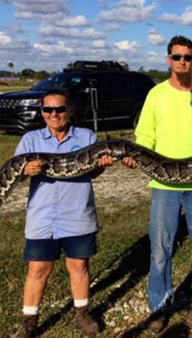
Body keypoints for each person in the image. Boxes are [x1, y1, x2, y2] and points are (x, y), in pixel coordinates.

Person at [122, 35, 192, 332]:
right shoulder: (155, 95)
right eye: (177, 57)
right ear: (168, 59)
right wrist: (134, 157)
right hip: (164, 185)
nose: (182, 62)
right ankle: (160, 305)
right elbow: (145, 138)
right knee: (160, 248)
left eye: (188, 57)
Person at [11, 89, 114, 338]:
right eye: (48, 110)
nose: (54, 114)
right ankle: (29, 321)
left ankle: (82, 313)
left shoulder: (87, 136)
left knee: (79, 265)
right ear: (42, 112)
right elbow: (15, 172)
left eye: (59, 109)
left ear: (69, 111)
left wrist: (102, 165)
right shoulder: (31, 140)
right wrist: (26, 170)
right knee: (38, 269)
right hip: (42, 215)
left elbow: (91, 172)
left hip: (77, 213)